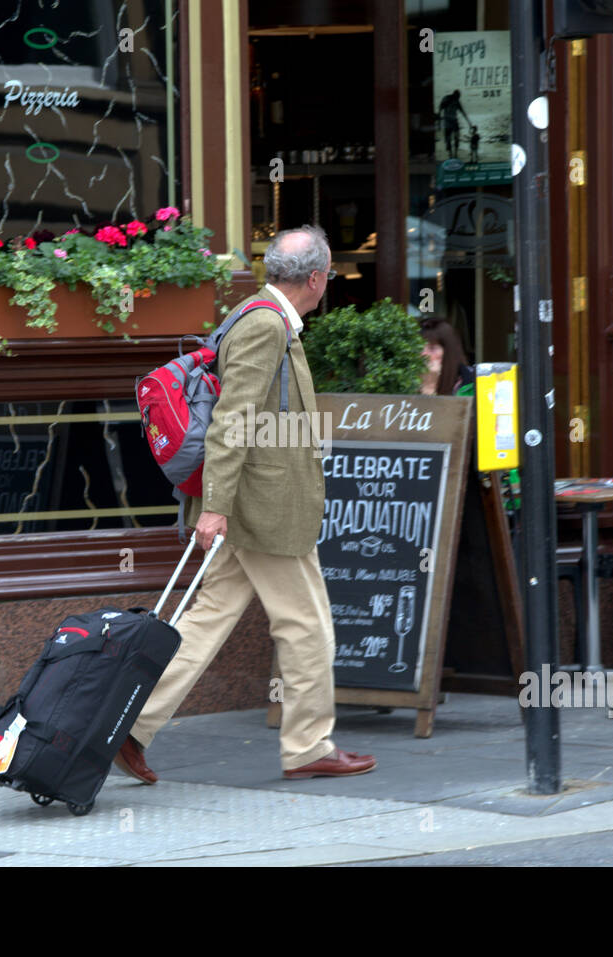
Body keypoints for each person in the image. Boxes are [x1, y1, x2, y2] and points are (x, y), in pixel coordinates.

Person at [115, 225, 377, 783]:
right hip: (263, 512)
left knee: (206, 620)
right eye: (328, 273)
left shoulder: (257, 315)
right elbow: (233, 422)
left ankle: (129, 725)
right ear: (316, 278)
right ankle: (308, 746)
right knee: (308, 627)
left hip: (245, 508)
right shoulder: (264, 325)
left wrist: (218, 506)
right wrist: (215, 508)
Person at [419, 318, 474, 396]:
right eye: (418, 348)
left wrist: (430, 386)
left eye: (432, 348)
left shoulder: (472, 384)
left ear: (448, 353)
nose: (423, 354)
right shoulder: (406, 380)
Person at [437, 89, 471, 159]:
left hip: (454, 121)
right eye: (457, 97)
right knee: (448, 138)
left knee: (457, 137)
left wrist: (469, 123)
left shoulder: (457, 101)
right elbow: (440, 108)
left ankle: (455, 154)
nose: (458, 98)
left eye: (458, 97)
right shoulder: (446, 99)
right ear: (455, 95)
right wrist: (439, 122)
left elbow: (463, 112)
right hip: (447, 121)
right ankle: (450, 154)